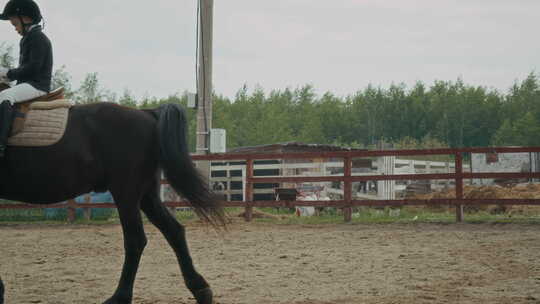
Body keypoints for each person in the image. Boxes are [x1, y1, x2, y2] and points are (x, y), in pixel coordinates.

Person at [0, 0, 52, 157]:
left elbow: (33, 68)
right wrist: (7, 78)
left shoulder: (38, 38)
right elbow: (24, 70)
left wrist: (7, 73)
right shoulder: (28, 38)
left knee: (5, 95)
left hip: (37, 85)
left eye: (15, 24)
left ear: (25, 19)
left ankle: (1, 144)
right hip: (29, 83)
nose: (15, 28)